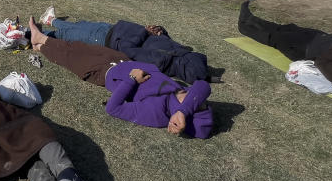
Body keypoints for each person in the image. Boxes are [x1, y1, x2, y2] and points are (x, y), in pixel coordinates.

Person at [28, 19, 213, 138]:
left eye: (195, 103)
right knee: (76, 46)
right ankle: (40, 42)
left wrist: (132, 80)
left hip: (104, 74)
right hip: (121, 59)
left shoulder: (157, 113)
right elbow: (202, 86)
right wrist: (185, 109)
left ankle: (41, 42)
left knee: (69, 57)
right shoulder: (184, 97)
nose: (190, 94)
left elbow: (113, 108)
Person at [31, 8, 209, 83]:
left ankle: (29, 36)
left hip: (107, 41)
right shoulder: (177, 52)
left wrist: (143, 33)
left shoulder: (160, 63)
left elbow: (129, 53)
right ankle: (50, 20)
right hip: (117, 30)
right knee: (80, 26)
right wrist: (159, 31)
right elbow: (161, 40)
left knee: (68, 36)